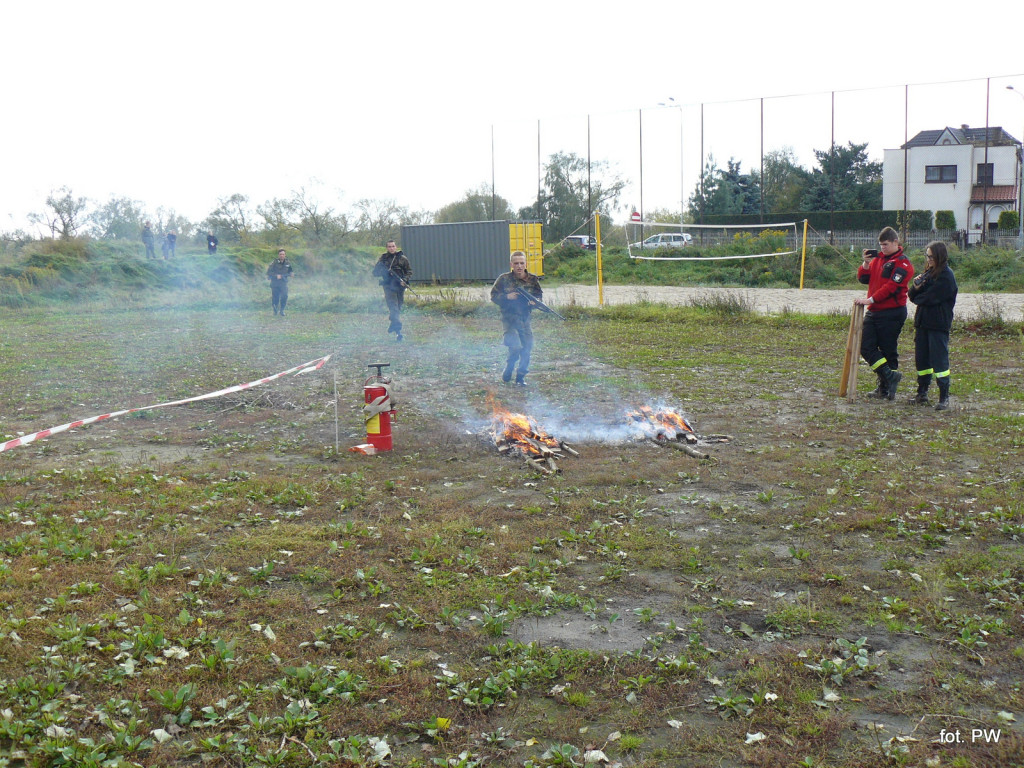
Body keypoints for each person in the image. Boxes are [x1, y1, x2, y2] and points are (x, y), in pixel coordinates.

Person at [854, 226, 914, 401]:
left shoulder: (903, 264)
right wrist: (865, 264)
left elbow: (891, 288)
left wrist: (870, 300)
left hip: (892, 312)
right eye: (880, 245)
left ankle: (885, 388)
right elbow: (864, 278)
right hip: (874, 312)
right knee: (865, 346)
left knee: (888, 350)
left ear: (896, 242)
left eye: (886, 245)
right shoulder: (877, 260)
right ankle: (889, 377)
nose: (882, 248)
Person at [907, 241, 958, 410]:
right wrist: (915, 288)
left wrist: (918, 296)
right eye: (926, 256)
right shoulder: (929, 274)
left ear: (939, 257)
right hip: (923, 323)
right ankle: (922, 393)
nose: (928, 259)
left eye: (931, 256)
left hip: (938, 325)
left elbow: (929, 298)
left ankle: (944, 396)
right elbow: (912, 295)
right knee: (922, 360)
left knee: (939, 361)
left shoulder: (946, 277)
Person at [490, 250, 542, 386]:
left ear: (526, 264)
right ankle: (509, 367)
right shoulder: (504, 279)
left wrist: (534, 302)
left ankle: (520, 377)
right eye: (516, 263)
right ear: (511, 264)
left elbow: (539, 297)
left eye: (522, 263)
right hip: (509, 319)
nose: (519, 266)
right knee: (515, 347)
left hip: (525, 319)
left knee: (527, 347)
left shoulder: (533, 279)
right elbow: (493, 296)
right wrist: (507, 297)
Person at [372, 239, 412, 341]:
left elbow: (409, 271)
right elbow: (375, 273)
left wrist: (405, 280)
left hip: (400, 286)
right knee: (393, 307)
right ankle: (399, 332)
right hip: (388, 286)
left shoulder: (403, 259)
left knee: (398, 307)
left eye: (393, 246)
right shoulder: (383, 260)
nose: (391, 248)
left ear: (396, 247)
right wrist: (384, 271)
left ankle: (393, 325)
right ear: (387, 248)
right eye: (389, 246)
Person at [266, 248, 293, 316]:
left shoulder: (287, 262)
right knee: (275, 297)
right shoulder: (274, 262)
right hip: (275, 283)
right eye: (280, 254)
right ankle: (275, 310)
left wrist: (291, 273)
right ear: (278, 255)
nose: (282, 255)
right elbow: (268, 272)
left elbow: (290, 271)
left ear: (285, 255)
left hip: (283, 282)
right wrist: (276, 275)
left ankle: (282, 310)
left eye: (283, 254)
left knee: (285, 295)